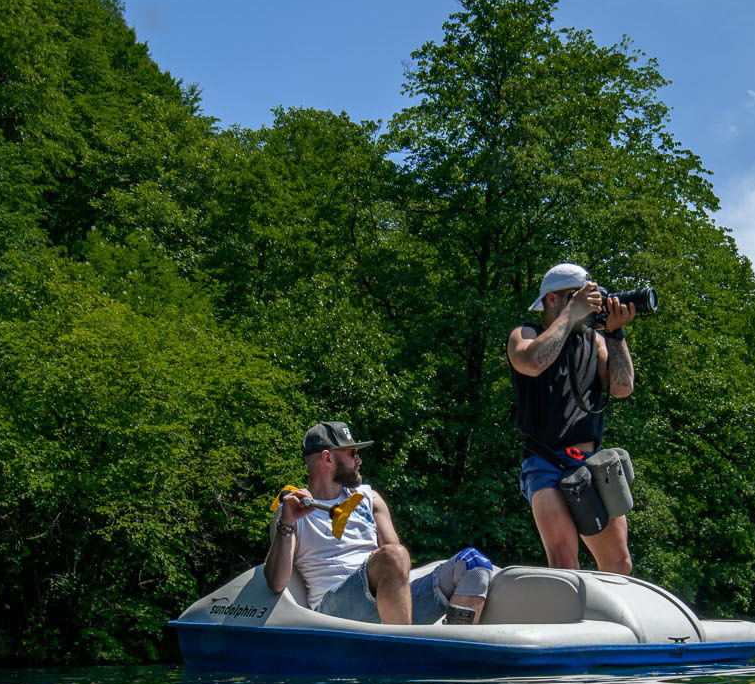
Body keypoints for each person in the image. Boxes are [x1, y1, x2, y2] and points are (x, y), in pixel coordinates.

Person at [263, 421, 495, 625]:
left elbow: (400, 566)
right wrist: (288, 522)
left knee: (474, 563)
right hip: (335, 610)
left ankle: (451, 647)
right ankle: (402, 652)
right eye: (352, 453)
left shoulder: (369, 499)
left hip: (385, 601)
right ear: (328, 458)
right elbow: (276, 583)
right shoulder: (290, 511)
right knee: (392, 556)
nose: (359, 460)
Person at [507, 262, 638, 573]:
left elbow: (622, 388)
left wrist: (616, 333)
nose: (589, 307)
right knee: (565, 564)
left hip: (589, 463)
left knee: (619, 564)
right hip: (544, 461)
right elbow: (531, 363)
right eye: (579, 298)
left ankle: (602, 621)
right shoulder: (524, 333)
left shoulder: (595, 341)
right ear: (552, 299)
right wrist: (570, 315)